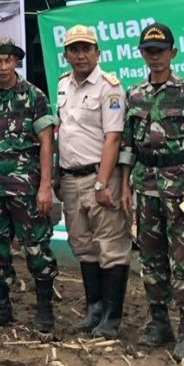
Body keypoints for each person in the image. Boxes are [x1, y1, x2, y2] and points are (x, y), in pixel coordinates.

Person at [119, 23, 184, 361]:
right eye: (149, 51)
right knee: (151, 257)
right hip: (145, 186)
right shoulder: (135, 93)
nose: (155, 56)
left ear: (172, 52)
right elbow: (128, 144)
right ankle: (160, 323)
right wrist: (126, 186)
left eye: (160, 50)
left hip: (180, 187)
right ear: (142, 54)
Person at [0, 38, 58, 333]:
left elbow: (46, 144)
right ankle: (1, 308)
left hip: (27, 190)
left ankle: (44, 310)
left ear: (16, 61)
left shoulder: (34, 96)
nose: (3, 67)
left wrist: (45, 187)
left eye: (8, 60)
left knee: (36, 249)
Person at [56, 24, 131, 339]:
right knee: (83, 246)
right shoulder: (63, 85)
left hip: (100, 178)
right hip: (71, 179)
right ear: (67, 55)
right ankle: (94, 309)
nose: (81, 55)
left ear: (97, 53)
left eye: (87, 48)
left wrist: (102, 183)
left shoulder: (109, 87)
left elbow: (113, 138)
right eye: (74, 49)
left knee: (111, 246)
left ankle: (112, 319)